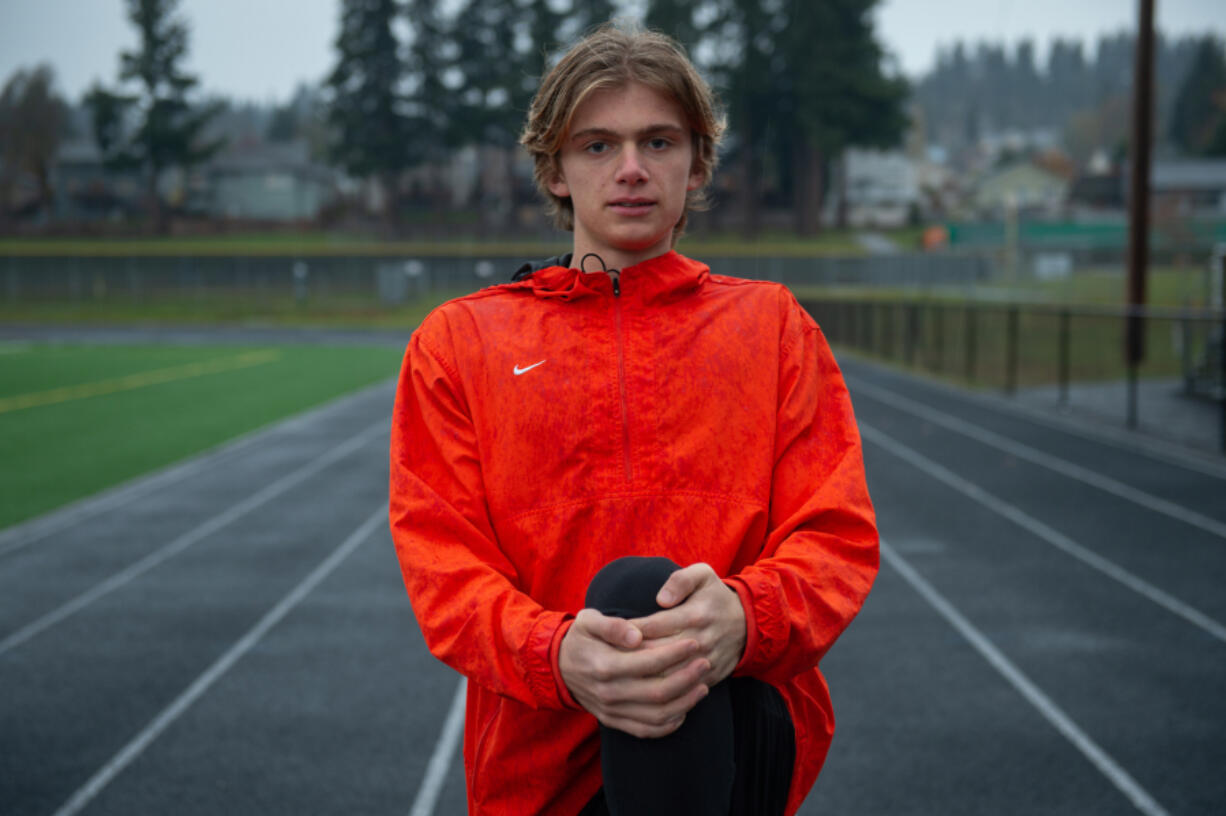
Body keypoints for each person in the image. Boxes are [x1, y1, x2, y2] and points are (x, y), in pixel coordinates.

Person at [388, 22, 878, 816]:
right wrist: (556, 654)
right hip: (540, 758)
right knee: (629, 589)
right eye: (596, 146)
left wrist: (744, 619)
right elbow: (442, 567)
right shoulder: (461, 342)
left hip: (729, 740)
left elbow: (837, 537)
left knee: (646, 590)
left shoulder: (774, 327)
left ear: (697, 161)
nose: (630, 172)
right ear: (554, 169)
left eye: (657, 142)